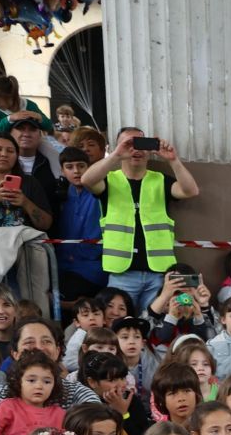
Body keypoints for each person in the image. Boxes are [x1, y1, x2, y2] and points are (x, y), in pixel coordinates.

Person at [78, 128, 201, 313]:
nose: (135, 149)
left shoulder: (160, 180)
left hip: (157, 274)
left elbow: (191, 190)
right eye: (128, 143)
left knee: (153, 326)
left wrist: (173, 160)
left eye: (141, 144)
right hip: (122, 273)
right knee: (119, 327)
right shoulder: (109, 180)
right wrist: (116, 155)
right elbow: (86, 180)